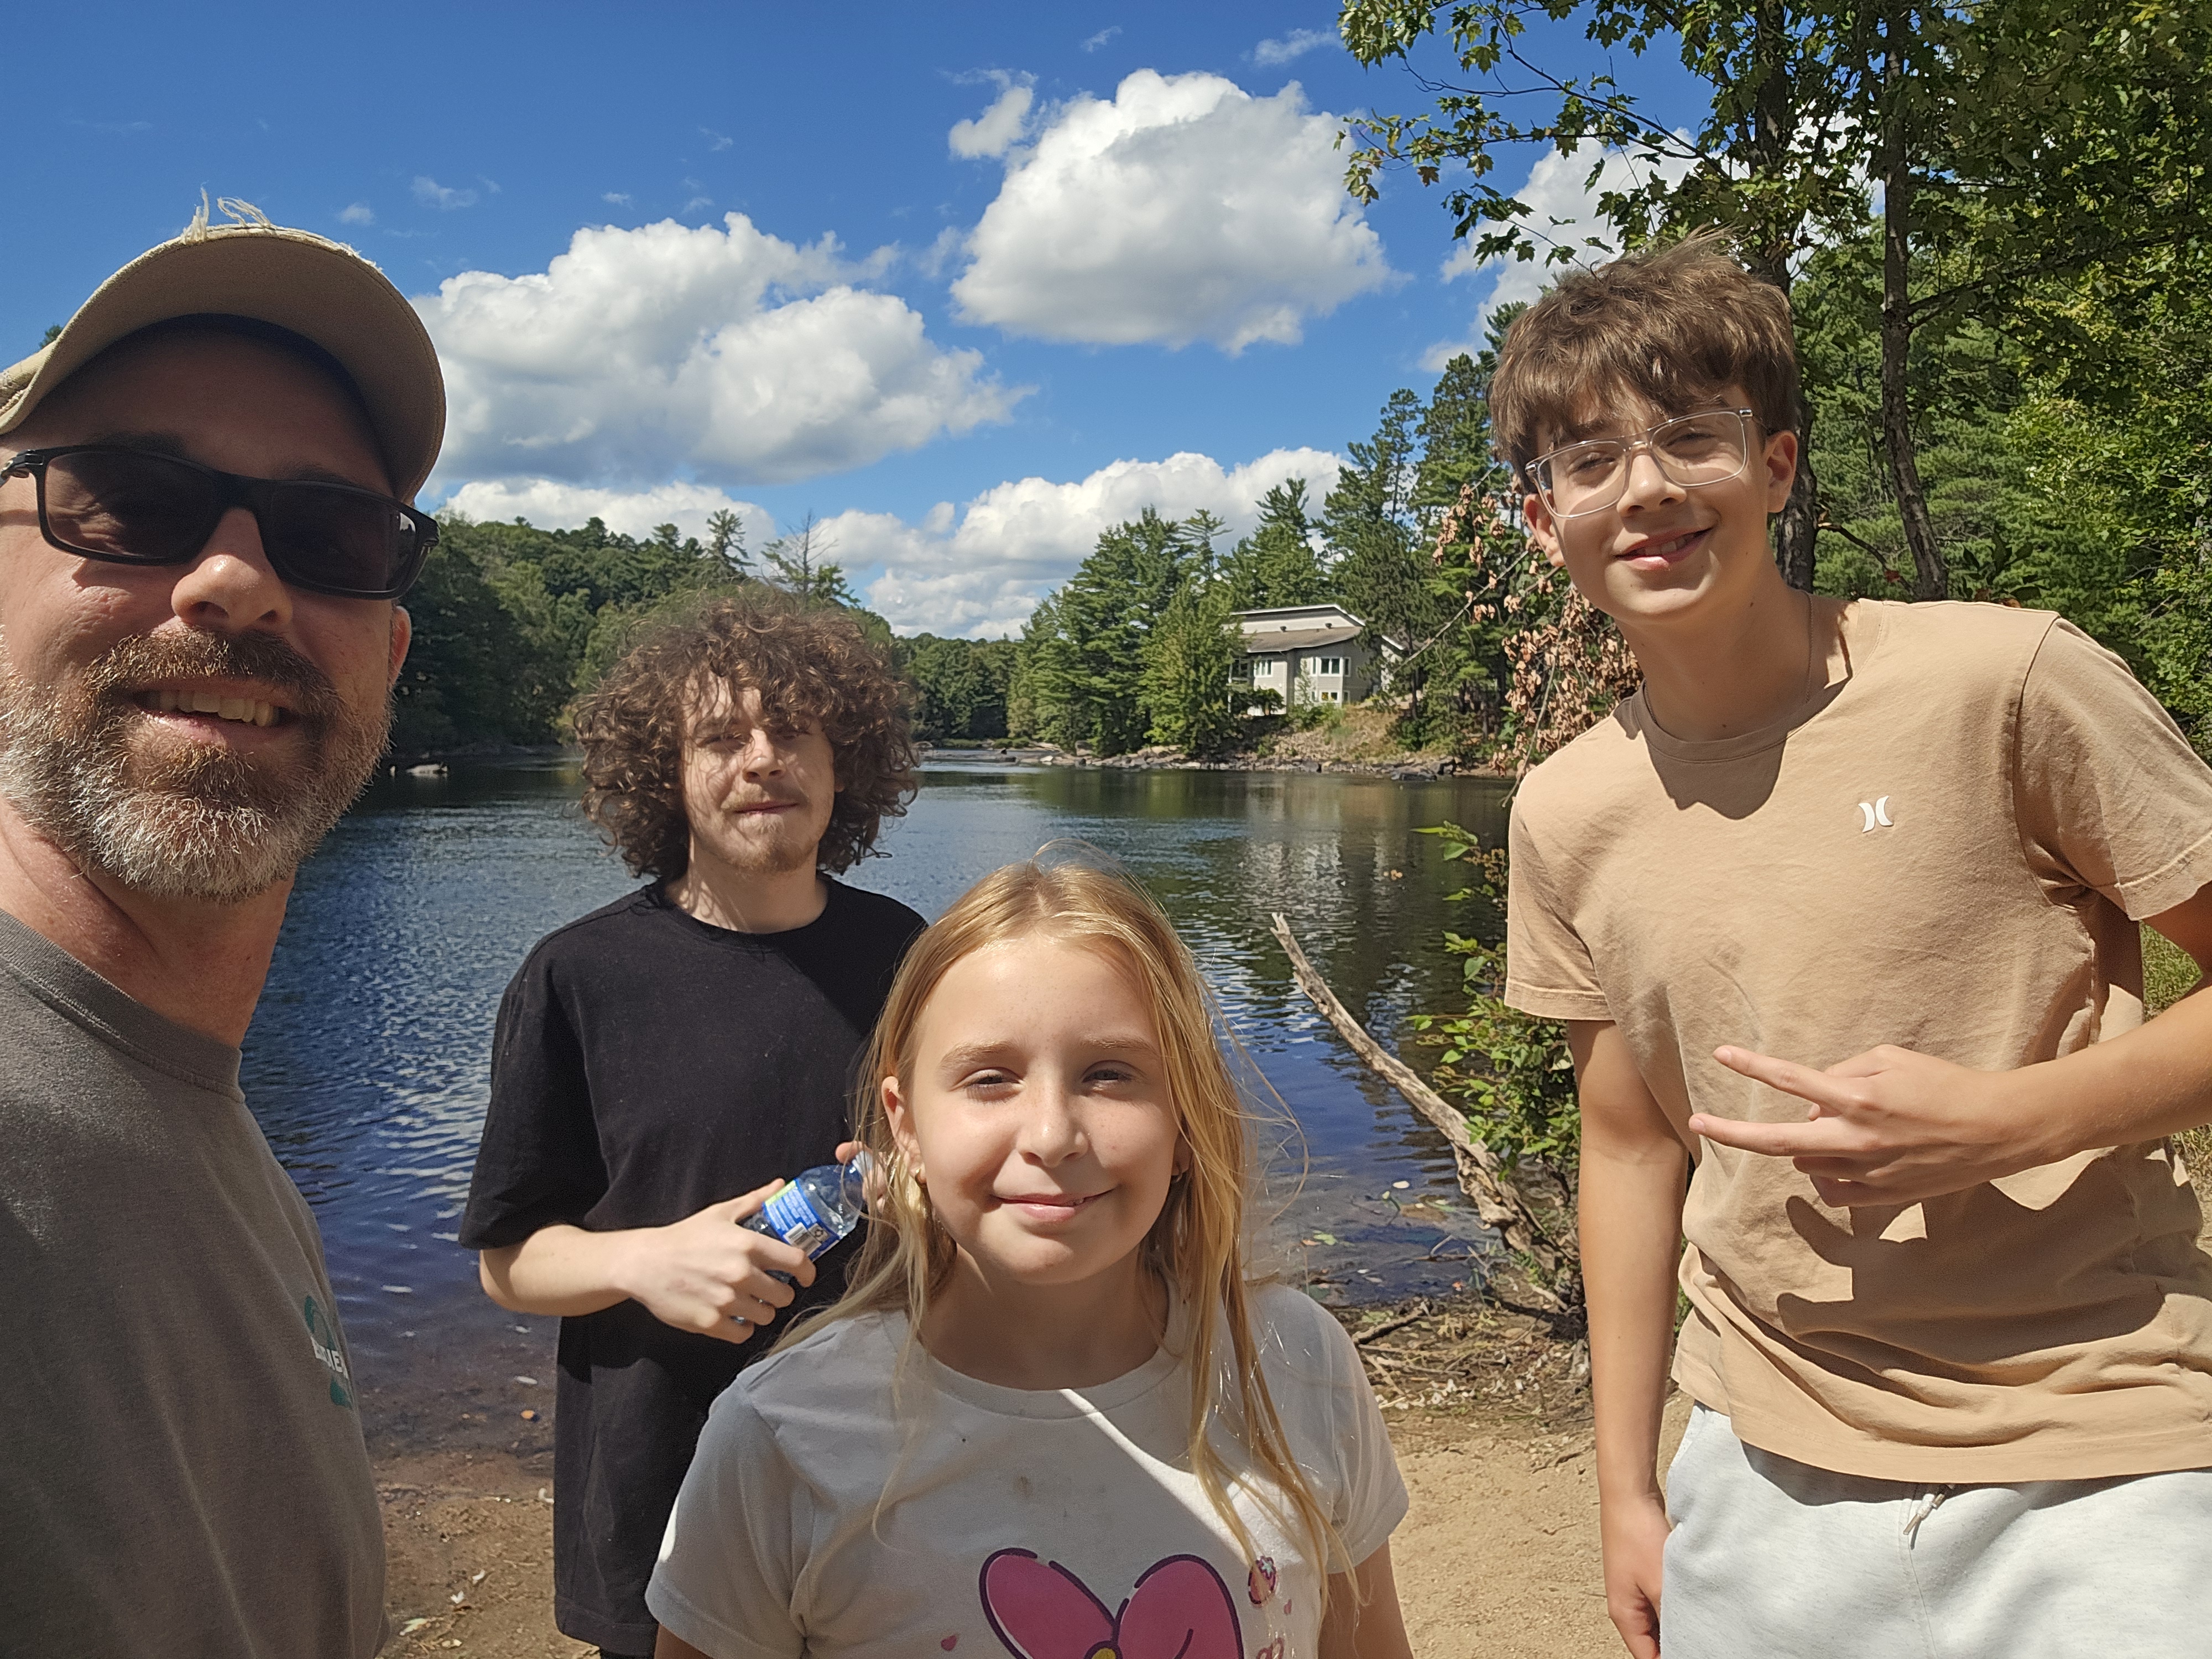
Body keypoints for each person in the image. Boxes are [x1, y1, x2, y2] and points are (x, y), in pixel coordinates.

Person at [1492, 236, 2212, 1657]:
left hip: (2100, 1443)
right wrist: (1625, 1485)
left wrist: (2005, 1122)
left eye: (1687, 437)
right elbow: (1628, 1146)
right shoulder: (1562, 808)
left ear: (1771, 465)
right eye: (1589, 461)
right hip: (1759, 1467)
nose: (1643, 489)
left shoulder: (2000, 680)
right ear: (1542, 519)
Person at [0, 203, 445, 1654]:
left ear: (382, 657)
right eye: (130, 501)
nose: (239, 581)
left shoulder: (207, 1130)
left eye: (331, 534)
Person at [646, 856, 1416, 1659]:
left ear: (1186, 1117)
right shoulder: (781, 1440)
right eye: (989, 1079)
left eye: (1109, 1074)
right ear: (905, 1127)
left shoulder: (1294, 1366)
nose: (1052, 1135)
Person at [462, 593, 927, 1658]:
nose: (762, 761)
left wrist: (924, 1196)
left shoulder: (913, 959)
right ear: (665, 776)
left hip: (882, 1460)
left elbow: (964, 1174)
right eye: (720, 738)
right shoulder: (578, 977)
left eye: (793, 733)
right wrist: (648, 1262)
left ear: (842, 762)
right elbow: (508, 1263)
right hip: (655, 1474)